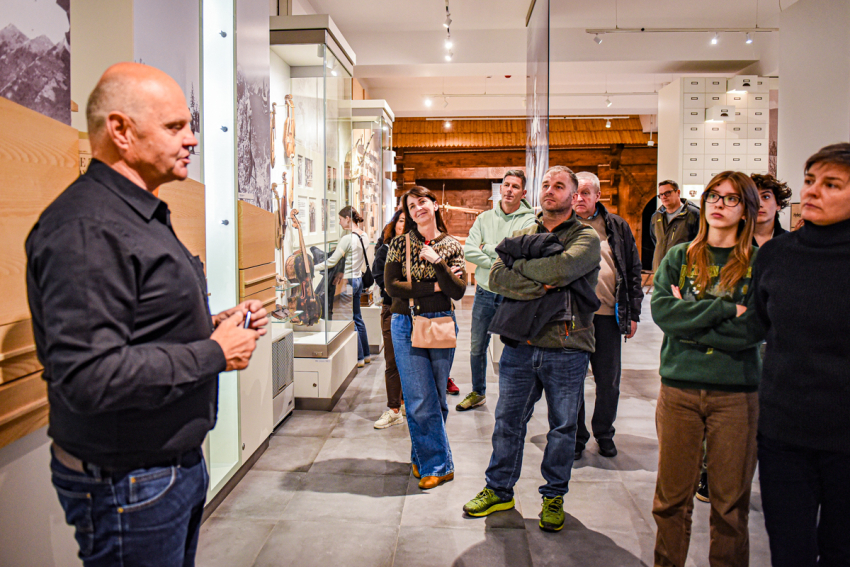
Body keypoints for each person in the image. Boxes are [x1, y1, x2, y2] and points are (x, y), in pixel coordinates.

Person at [25, 62, 267, 567]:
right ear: (121, 131)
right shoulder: (88, 228)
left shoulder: (138, 214)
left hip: (163, 471)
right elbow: (88, 376)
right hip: (128, 482)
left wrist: (214, 323)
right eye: (175, 127)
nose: (193, 140)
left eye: (190, 125)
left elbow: (143, 323)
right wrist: (214, 351)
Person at [462, 165, 601, 533]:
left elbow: (564, 269)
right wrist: (541, 285)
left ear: (574, 196)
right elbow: (498, 276)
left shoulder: (586, 238)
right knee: (507, 421)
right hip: (521, 345)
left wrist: (527, 271)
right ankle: (499, 489)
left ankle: (553, 496)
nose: (550, 191)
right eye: (546, 185)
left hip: (566, 346)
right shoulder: (523, 232)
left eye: (560, 186)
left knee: (562, 427)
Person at [650, 171, 764, 567]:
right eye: (714, 195)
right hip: (678, 391)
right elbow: (664, 312)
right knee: (670, 503)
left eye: (731, 199)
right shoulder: (679, 257)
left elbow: (753, 328)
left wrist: (692, 322)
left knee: (730, 508)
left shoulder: (758, 264)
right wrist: (722, 309)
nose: (718, 204)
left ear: (747, 209)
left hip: (735, 395)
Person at [753, 143, 850, 567]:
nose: (812, 192)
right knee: (788, 550)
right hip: (784, 431)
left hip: (845, 435)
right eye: (811, 181)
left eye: (832, 184)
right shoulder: (776, 254)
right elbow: (759, 325)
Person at [384, 186, 467, 490]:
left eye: (422, 202)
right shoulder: (399, 244)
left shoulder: (451, 245)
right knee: (419, 397)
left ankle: (423, 456)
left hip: (441, 321)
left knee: (436, 398)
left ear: (434, 205)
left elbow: (458, 290)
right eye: (411, 205)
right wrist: (433, 287)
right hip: (406, 323)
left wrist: (437, 262)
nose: (418, 208)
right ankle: (439, 464)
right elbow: (393, 287)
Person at [573, 171, 643, 460]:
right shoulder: (560, 224)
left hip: (607, 317)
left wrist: (633, 312)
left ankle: (604, 432)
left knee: (608, 381)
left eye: (585, 193)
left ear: (598, 196)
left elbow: (633, 269)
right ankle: (576, 437)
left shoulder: (616, 226)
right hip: (573, 318)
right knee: (572, 380)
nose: (579, 198)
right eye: (575, 192)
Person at [459, 169, 536, 411]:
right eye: (506, 185)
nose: (510, 190)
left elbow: (520, 254)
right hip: (484, 291)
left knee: (515, 349)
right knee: (476, 346)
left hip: (512, 295)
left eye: (515, 186)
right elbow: (469, 250)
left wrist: (488, 247)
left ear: (523, 192)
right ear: (500, 189)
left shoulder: (530, 221)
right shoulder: (483, 218)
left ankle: (513, 397)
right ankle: (477, 392)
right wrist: (502, 256)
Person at [314, 206, 371, 367]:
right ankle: (366, 355)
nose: (339, 223)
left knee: (349, 320)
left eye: (340, 219)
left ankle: (358, 358)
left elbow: (332, 261)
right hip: (358, 279)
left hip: (349, 282)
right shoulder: (364, 236)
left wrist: (313, 268)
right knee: (358, 318)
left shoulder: (347, 239)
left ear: (347, 218)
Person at [372, 210, 406, 429]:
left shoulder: (419, 247)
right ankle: (394, 408)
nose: (404, 225)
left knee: (414, 360)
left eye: (408, 221)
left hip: (415, 308)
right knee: (392, 359)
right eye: (401, 221)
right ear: (394, 224)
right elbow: (378, 274)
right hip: (392, 307)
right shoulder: (385, 248)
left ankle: (406, 403)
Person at [650, 180, 701, 270]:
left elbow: (700, 243)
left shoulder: (693, 214)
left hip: (683, 271)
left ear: (678, 192)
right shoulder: (656, 216)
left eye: (667, 193)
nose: (664, 197)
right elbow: (655, 240)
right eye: (661, 195)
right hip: (660, 271)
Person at [751, 173, 792, 247]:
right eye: (753, 198)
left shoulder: (792, 242)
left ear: (778, 204)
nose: (759, 204)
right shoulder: (732, 241)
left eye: (766, 197)